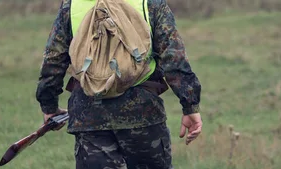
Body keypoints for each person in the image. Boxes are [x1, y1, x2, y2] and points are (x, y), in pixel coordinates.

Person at [35, 0, 203, 168]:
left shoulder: (72, 5)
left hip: (90, 116)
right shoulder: (149, 3)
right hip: (143, 115)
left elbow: (53, 59)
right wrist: (190, 106)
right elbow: (174, 58)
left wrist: (49, 106)